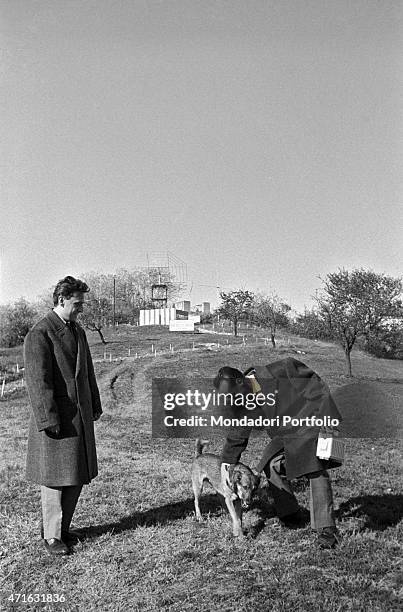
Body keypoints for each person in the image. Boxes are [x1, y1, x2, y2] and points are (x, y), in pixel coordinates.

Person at [214, 358, 343, 548]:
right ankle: (290, 512)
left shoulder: (283, 369)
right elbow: (239, 431)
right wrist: (227, 463)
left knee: (314, 466)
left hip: (312, 422)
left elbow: (317, 388)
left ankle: (328, 530)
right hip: (286, 434)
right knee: (270, 464)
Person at [24, 276, 102, 556]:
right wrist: (48, 420)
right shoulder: (40, 333)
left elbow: (87, 371)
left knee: (76, 475)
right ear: (61, 300)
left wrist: (94, 402)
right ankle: (51, 537)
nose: (81, 308)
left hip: (78, 417)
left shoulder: (78, 331)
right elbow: (37, 381)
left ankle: (62, 529)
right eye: (77, 303)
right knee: (55, 479)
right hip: (57, 420)